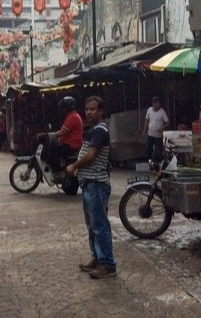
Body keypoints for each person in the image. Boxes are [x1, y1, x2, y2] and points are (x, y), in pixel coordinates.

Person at [65, 96, 116, 279]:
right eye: (87, 109)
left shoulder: (100, 130)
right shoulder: (94, 130)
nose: (89, 112)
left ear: (101, 111)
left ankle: (107, 265)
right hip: (89, 183)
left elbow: (91, 155)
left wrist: (74, 166)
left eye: (93, 109)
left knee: (100, 226)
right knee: (92, 225)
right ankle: (97, 258)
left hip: (96, 184)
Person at [46, 97, 83, 172]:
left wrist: (48, 135)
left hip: (72, 145)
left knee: (52, 151)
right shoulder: (73, 115)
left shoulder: (73, 117)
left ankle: (57, 171)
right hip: (71, 143)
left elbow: (62, 132)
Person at [142, 96, 169, 165]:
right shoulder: (149, 110)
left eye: (158, 104)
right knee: (148, 148)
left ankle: (158, 163)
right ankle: (151, 160)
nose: (157, 105)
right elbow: (147, 120)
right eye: (155, 103)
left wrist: (162, 128)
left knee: (158, 150)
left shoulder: (162, 112)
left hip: (158, 135)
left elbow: (167, 122)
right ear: (152, 103)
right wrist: (144, 130)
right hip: (150, 133)